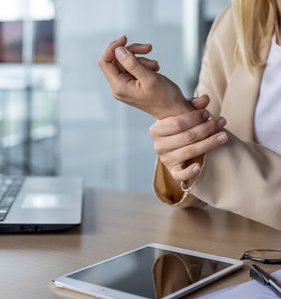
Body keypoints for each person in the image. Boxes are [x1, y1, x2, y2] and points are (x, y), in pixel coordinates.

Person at [98, 0, 281, 230]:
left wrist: (173, 111)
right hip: (244, 249)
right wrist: (174, 120)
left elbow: (210, 163)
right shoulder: (234, 23)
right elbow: (198, 183)